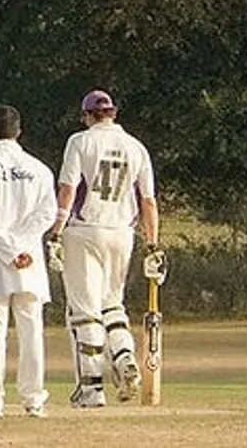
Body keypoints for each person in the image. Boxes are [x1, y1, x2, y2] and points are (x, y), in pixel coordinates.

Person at [53, 88, 160, 408]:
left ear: (88, 116)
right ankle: (125, 359)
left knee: (84, 312)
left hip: (84, 231)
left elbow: (68, 190)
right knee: (113, 304)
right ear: (113, 114)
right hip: (122, 233)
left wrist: (55, 233)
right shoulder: (136, 147)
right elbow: (148, 202)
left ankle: (91, 389)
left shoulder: (80, 141)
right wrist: (153, 245)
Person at [0, 105, 58, 419]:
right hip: (27, 258)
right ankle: (33, 400)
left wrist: (8, 249)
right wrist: (20, 247)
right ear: (19, 131)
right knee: (31, 329)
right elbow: (47, 214)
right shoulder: (39, 169)